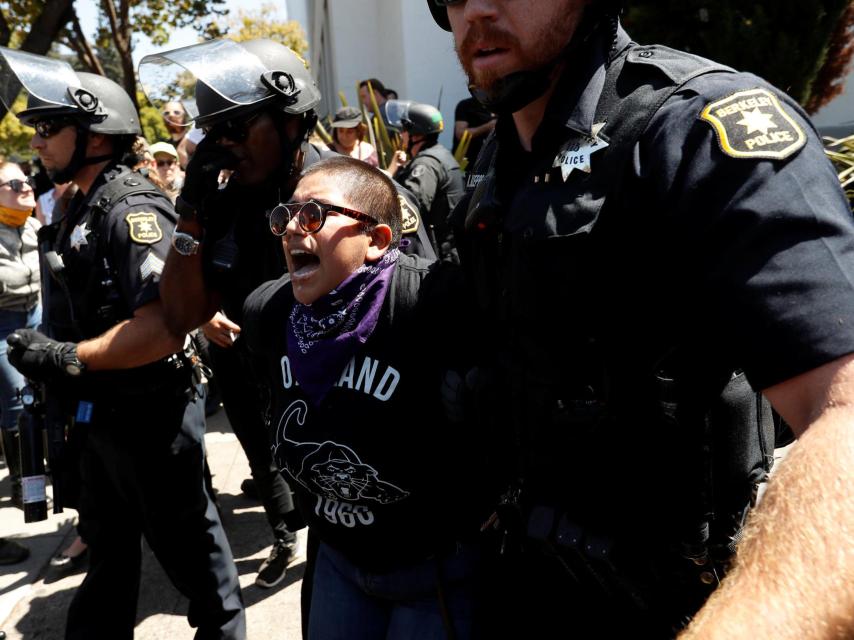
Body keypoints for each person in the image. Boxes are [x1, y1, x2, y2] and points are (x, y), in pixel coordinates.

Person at [428, 0, 854, 638]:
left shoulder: (701, 129)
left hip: (683, 603)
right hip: (529, 582)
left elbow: (844, 413)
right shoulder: (495, 167)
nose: (476, 10)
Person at [0, 47, 245, 638]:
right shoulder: (78, 203)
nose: (36, 140)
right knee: (109, 554)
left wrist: (66, 357)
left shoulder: (129, 205)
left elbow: (163, 327)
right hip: (101, 415)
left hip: (150, 418)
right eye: (34, 128)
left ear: (96, 133)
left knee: (200, 571)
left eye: (48, 127)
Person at [242, 155, 486, 639]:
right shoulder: (268, 313)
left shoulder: (434, 305)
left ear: (376, 240)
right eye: (285, 215)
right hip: (339, 561)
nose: (292, 227)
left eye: (314, 215)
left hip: (433, 570)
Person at [0, 162, 41, 511]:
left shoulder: (35, 226)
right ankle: (24, 489)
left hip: (37, 316)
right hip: (2, 325)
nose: (25, 186)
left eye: (26, 180)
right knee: (18, 404)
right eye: (14, 183)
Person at [386, 100, 464, 261]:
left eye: (404, 130)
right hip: (450, 248)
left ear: (417, 134)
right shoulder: (440, 154)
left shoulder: (426, 164)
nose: (401, 135)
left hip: (440, 257)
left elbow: (410, 207)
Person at [452, 96, 495, 170]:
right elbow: (460, 134)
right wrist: (488, 127)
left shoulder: (499, 105)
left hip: (489, 163)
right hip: (465, 162)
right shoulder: (466, 105)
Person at [159, 100, 191, 169]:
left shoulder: (194, 140)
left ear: (185, 115)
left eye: (176, 112)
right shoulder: (164, 147)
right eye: (166, 113)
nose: (171, 115)